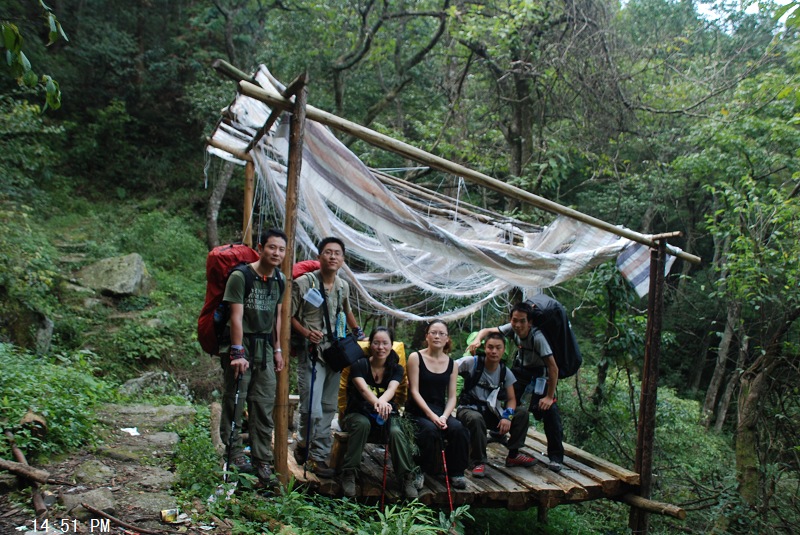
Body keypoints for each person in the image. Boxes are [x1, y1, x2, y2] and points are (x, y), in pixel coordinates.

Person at [220, 229, 287, 485]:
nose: (276, 253)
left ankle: (262, 460)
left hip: (265, 348)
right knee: (235, 401)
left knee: (263, 403)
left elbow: (277, 317)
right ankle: (234, 453)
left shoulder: (279, 279)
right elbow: (235, 316)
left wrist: (278, 349)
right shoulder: (241, 276)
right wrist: (237, 353)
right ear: (261, 247)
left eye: (281, 249)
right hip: (242, 344)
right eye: (272, 247)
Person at [291, 237, 361, 478]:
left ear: (342, 259)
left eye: (337, 253)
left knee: (329, 406)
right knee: (311, 407)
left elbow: (347, 310)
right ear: (319, 256)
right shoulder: (303, 283)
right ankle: (303, 442)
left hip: (335, 353)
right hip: (312, 352)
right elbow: (287, 315)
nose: (333, 257)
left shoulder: (343, 286)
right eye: (328, 252)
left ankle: (319, 457)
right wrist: (305, 333)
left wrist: (358, 333)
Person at [467, 302, 564, 471]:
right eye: (514, 320)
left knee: (549, 411)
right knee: (504, 398)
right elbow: (487, 331)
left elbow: (553, 367)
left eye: (522, 321)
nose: (518, 325)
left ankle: (555, 456)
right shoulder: (512, 328)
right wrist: (477, 340)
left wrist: (549, 396)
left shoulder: (538, 338)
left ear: (530, 322)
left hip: (540, 376)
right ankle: (499, 433)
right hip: (521, 371)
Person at [339, 327, 418, 498]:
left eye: (385, 343)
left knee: (397, 432)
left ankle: (406, 477)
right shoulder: (359, 364)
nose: (380, 347)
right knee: (362, 424)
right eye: (376, 343)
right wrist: (378, 403)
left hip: (386, 415)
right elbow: (362, 389)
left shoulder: (396, 369)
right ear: (370, 344)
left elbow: (392, 388)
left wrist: (383, 402)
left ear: (391, 345)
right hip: (358, 412)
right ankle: (349, 473)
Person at [456, 332, 536, 478]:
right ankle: (478, 461)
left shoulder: (505, 372)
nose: (494, 351)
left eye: (498, 348)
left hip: (492, 411)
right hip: (467, 410)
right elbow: (448, 369)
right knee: (476, 419)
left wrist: (508, 416)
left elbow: (511, 399)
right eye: (490, 347)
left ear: (503, 349)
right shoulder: (471, 362)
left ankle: (513, 454)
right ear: (484, 348)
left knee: (522, 413)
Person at [406, 320, 470, 489]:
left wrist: (444, 416)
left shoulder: (452, 364)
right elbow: (414, 391)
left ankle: (456, 472)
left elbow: (451, 397)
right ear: (426, 336)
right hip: (418, 411)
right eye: (433, 332)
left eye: (441, 333)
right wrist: (432, 416)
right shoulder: (415, 357)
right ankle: (419, 470)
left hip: (440, 411)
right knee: (429, 430)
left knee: (458, 429)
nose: (437, 336)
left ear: (447, 339)